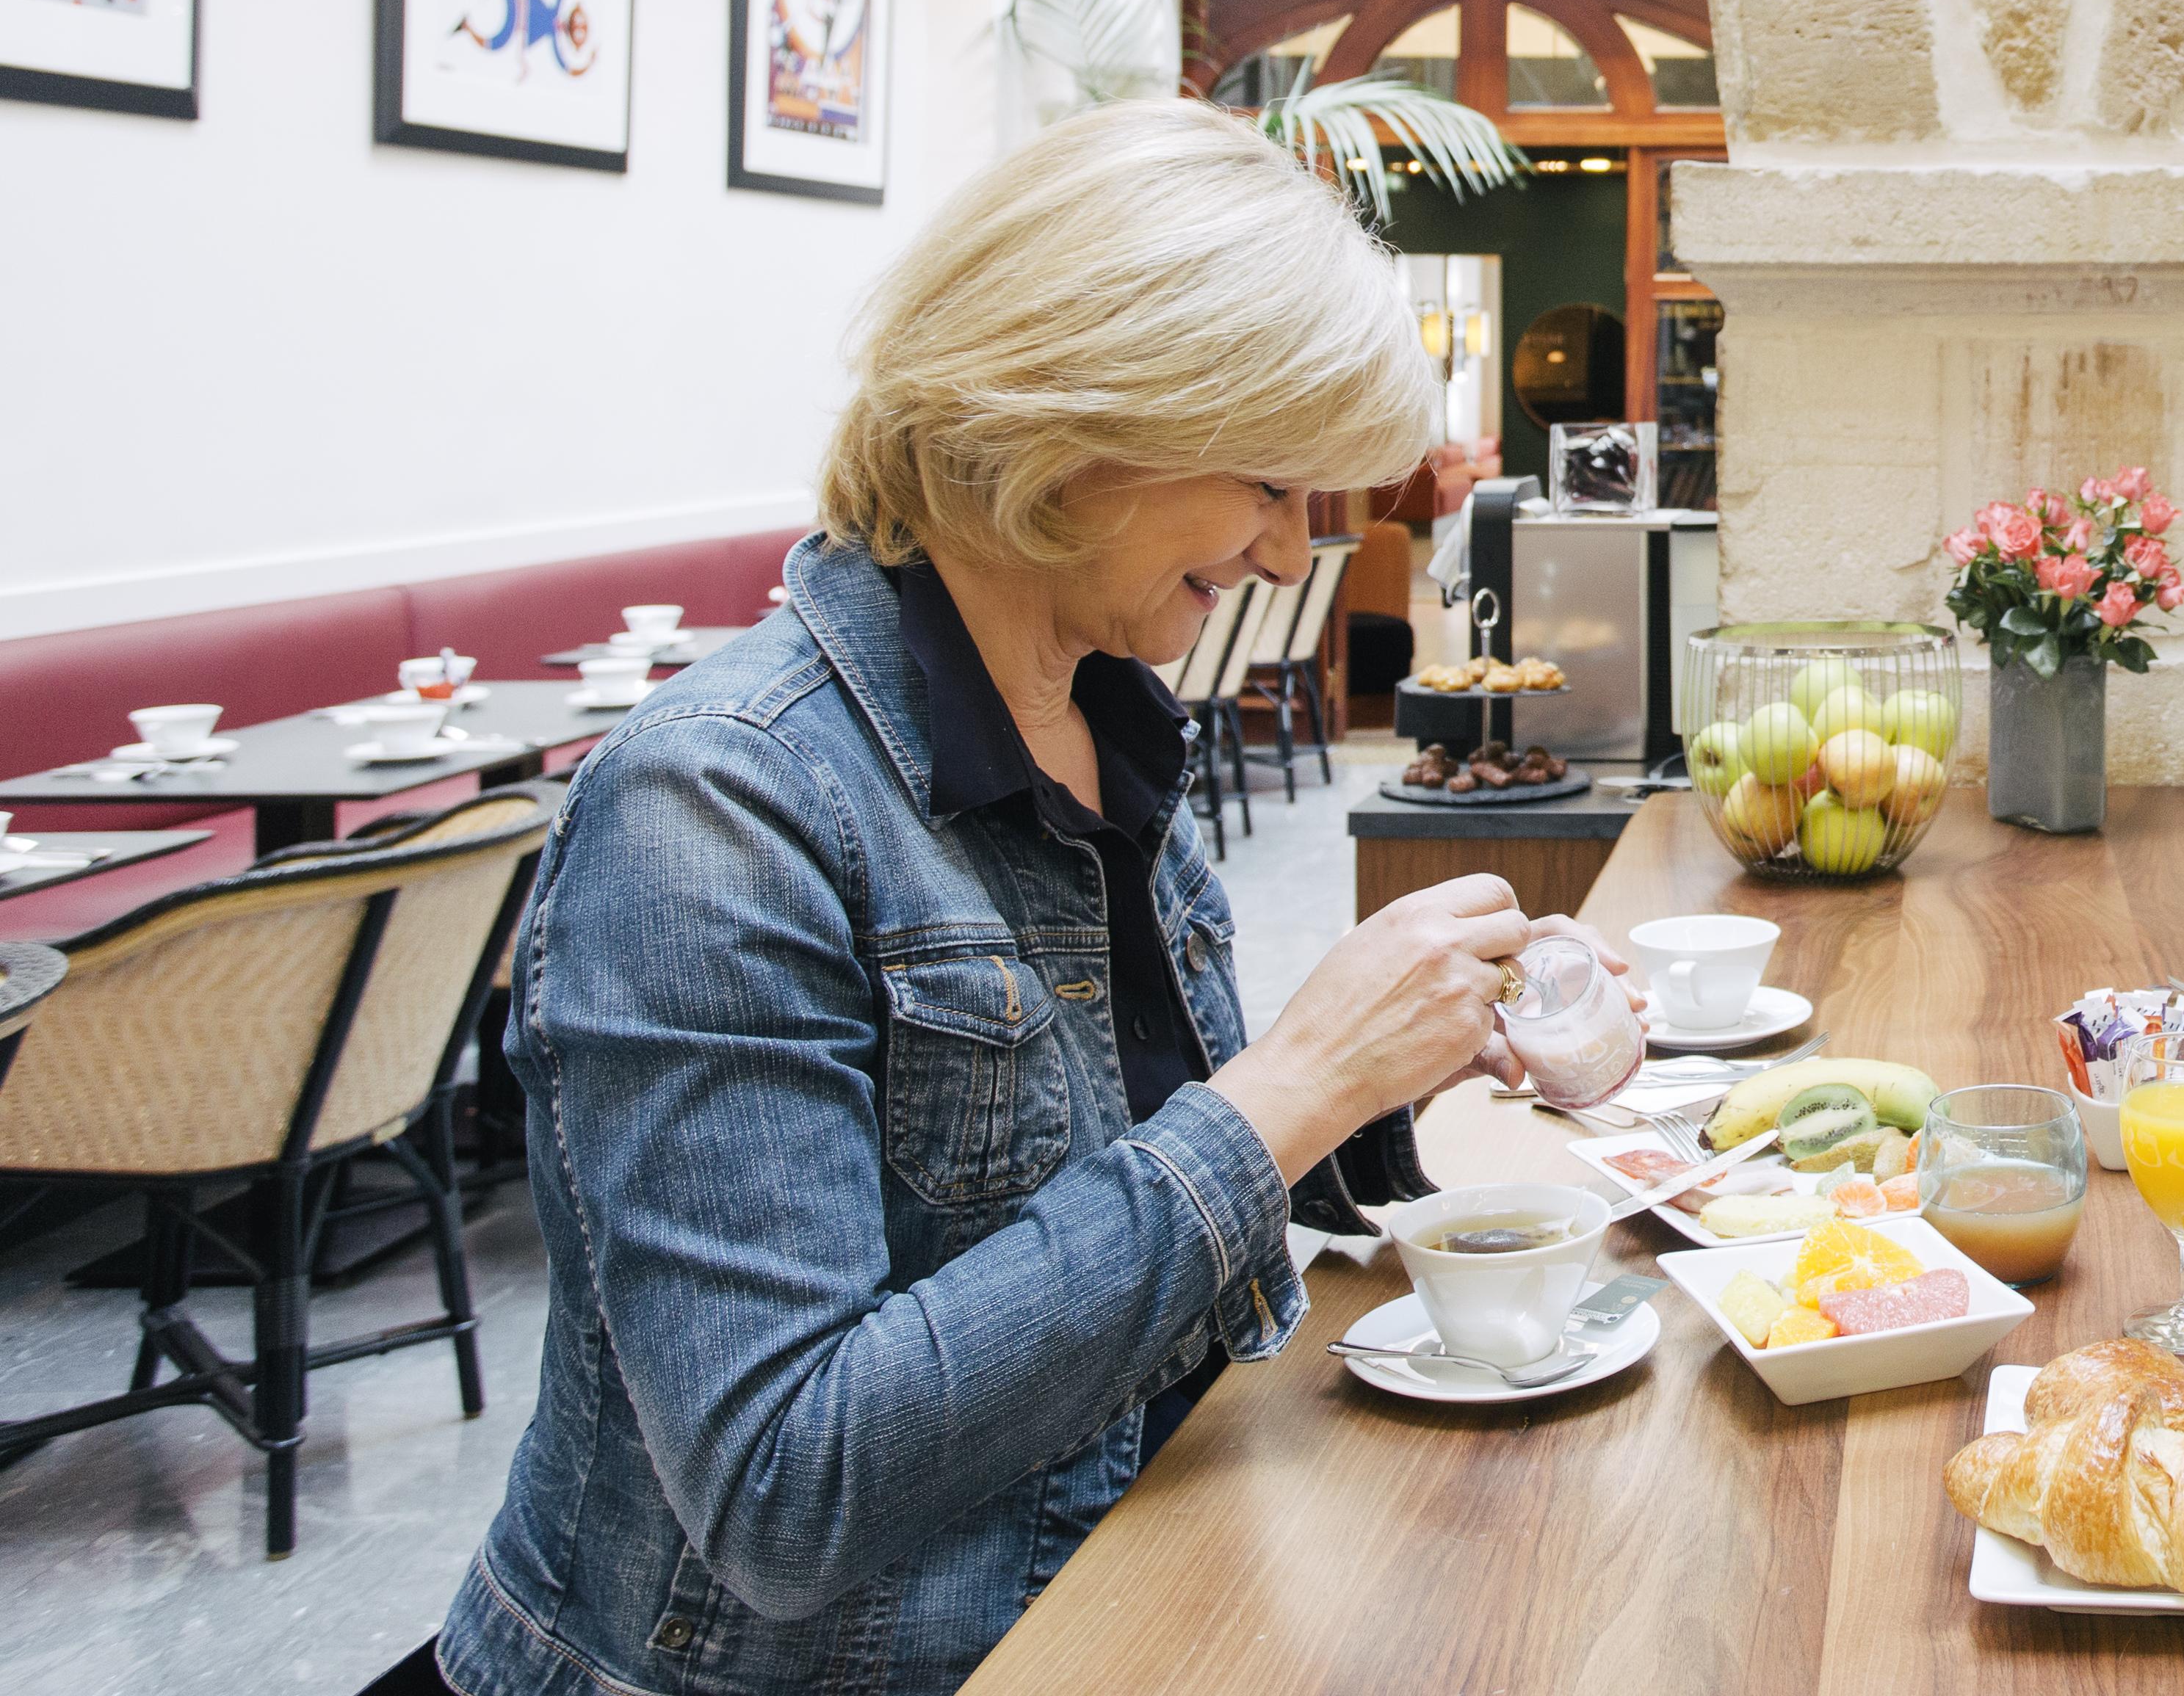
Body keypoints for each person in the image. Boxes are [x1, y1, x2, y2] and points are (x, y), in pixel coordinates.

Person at [411, 102, 1619, 1696]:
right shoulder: (717, 806)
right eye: (1266, 480)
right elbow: (785, 1486)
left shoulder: (1098, 716)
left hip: (1111, 1594)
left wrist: (1402, 1063)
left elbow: (1113, 1184)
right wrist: (1296, 1083)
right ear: (1079, 418)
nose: (1282, 552)